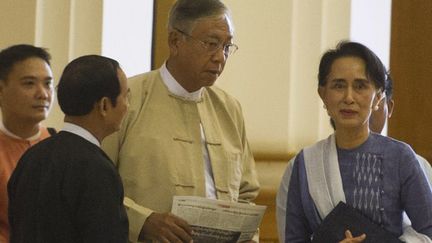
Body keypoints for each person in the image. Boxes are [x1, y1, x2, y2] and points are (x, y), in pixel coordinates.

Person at [101, 0, 260, 242]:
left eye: (227, 46)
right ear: (175, 41)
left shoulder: (229, 108)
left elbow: (246, 193)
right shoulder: (128, 98)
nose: (220, 57)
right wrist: (143, 222)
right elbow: (97, 185)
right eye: (211, 44)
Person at [280, 41, 432, 242]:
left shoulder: (400, 157)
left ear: (378, 98)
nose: (349, 97)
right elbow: (293, 238)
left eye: (360, 86)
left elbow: (428, 230)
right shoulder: (305, 164)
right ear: (323, 95)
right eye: (339, 86)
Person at [8, 55, 129, 242]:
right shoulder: (98, 170)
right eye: (125, 97)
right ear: (104, 105)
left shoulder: (31, 157)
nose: (127, 106)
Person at [0, 44, 55, 242]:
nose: (43, 94)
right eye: (29, 83)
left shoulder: (60, 147)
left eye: (48, 84)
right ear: (1, 89)